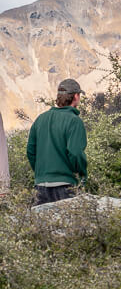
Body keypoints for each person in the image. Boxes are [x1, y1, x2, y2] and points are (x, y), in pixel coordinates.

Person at [26, 78, 88, 206]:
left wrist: (41, 172)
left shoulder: (40, 119)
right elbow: (75, 152)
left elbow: (30, 151)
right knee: (70, 225)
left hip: (40, 186)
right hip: (66, 186)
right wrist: (82, 174)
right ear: (76, 96)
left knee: (42, 226)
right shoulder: (74, 121)